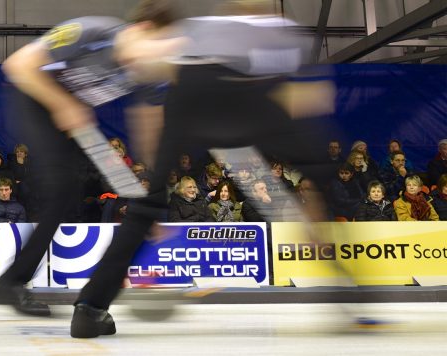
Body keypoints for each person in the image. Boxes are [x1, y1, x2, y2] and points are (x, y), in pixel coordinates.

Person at [72, 0, 346, 338]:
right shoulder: (284, 33)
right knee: (319, 165)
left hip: (192, 93)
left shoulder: (197, 31)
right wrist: (315, 198)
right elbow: (313, 99)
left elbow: (150, 108)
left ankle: (90, 308)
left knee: (145, 208)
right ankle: (347, 294)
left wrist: (153, 187)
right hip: (239, 94)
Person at [0, 0, 188, 319]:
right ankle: (12, 283)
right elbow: (17, 65)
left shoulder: (147, 74)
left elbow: (148, 127)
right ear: (143, 30)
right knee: (61, 189)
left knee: (70, 194)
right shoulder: (91, 32)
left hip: (71, 114)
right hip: (33, 97)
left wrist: (150, 193)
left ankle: (11, 282)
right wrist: (61, 103)